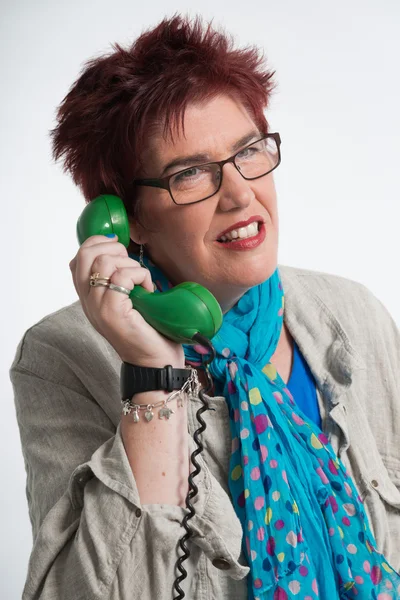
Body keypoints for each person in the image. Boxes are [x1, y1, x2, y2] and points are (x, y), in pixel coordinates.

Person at [10, 14, 400, 600]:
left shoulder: (352, 315)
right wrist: (152, 381)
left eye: (249, 152)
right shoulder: (60, 359)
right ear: (128, 217)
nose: (241, 194)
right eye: (190, 174)